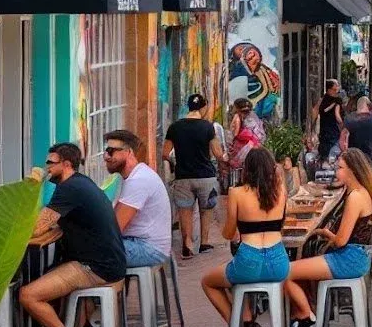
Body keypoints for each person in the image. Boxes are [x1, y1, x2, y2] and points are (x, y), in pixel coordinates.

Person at [20, 144, 127, 327]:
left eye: (51, 163)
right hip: (108, 262)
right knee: (52, 274)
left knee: (28, 295)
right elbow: (53, 228)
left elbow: (37, 228)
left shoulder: (69, 189)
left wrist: (30, 189)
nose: (47, 168)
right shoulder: (80, 183)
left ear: (66, 164)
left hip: (96, 268)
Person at [284, 149, 372, 327]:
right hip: (357, 257)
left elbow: (341, 241)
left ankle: (305, 314)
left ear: (352, 171)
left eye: (340, 168)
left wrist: (325, 233)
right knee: (299, 267)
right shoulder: (361, 193)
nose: (336, 172)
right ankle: (305, 312)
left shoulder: (355, 197)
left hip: (349, 259)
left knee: (284, 271)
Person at [201, 148, 289, 327]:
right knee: (236, 277)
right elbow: (281, 225)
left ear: (247, 169)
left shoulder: (237, 193)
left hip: (249, 261)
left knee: (208, 281)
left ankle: (237, 326)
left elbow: (228, 234)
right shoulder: (281, 191)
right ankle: (247, 321)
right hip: (279, 263)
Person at [165, 92, 227, 259]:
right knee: (206, 210)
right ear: (203, 108)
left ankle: (187, 244)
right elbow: (218, 153)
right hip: (205, 176)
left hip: (183, 177)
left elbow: (165, 153)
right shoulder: (207, 127)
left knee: (185, 211)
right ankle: (204, 242)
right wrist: (223, 160)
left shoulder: (175, 127)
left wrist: (174, 163)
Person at [103, 130, 172, 269]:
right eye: (106, 151)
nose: (106, 156)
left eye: (111, 151)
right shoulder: (132, 176)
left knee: (87, 251)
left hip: (148, 248)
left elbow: (115, 227)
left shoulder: (138, 180)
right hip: (141, 243)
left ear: (129, 152)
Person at [342, 95, 372, 161]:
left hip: (353, 155)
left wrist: (345, 152)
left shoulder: (349, 118)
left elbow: (343, 139)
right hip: (369, 156)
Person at [228, 97, 266, 170]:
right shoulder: (253, 117)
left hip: (243, 146)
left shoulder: (237, 117)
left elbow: (234, 134)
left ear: (237, 108)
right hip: (255, 146)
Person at [315, 79, 345, 162]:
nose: (336, 91)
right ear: (329, 89)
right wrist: (343, 126)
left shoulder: (323, 99)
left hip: (324, 130)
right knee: (333, 152)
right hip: (333, 130)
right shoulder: (337, 100)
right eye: (335, 89)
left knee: (324, 152)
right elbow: (337, 116)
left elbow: (318, 111)